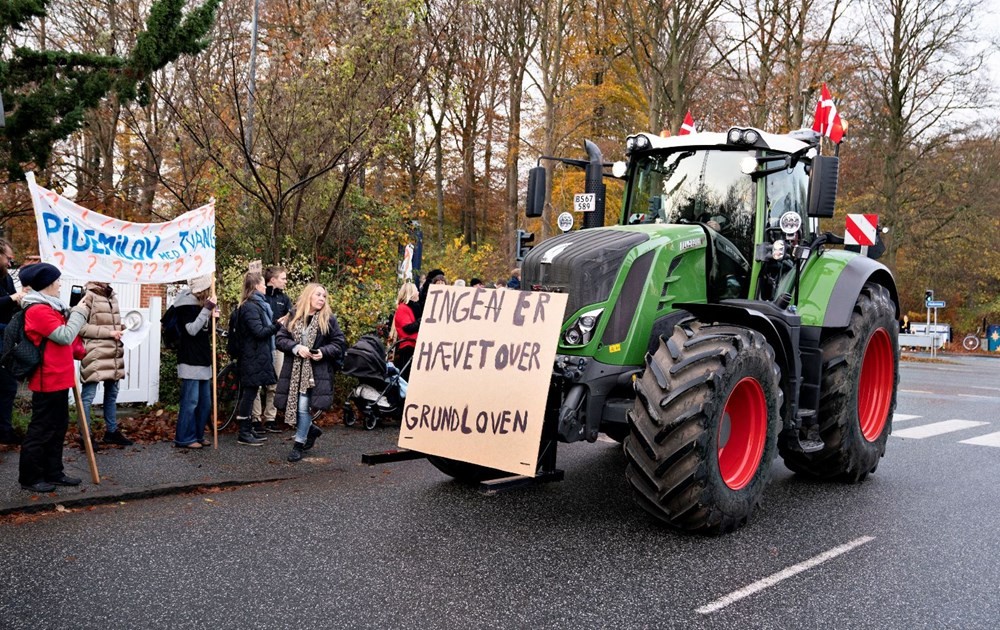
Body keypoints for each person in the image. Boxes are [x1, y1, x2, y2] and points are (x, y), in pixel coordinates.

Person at [17, 263, 91, 492]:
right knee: (41, 429)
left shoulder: (52, 308)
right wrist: (78, 312)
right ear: (47, 284)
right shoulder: (37, 310)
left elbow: (67, 340)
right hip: (46, 379)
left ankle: (53, 472)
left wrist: (81, 350)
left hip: (61, 377)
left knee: (58, 427)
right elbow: (63, 335)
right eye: (57, 281)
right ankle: (30, 477)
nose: (60, 285)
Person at [274, 283, 346, 462]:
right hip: (293, 370)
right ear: (308, 296)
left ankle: (298, 444)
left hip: (315, 372)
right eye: (318, 295)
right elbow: (280, 339)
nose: (322, 299)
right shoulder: (294, 315)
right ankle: (311, 430)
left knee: (302, 407)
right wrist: (296, 347)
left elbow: (339, 343)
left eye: (324, 296)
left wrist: (323, 352)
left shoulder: (328, 319)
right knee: (288, 407)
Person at [78, 281, 132, 447]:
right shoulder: (87, 295)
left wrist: (124, 328)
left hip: (113, 353)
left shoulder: (112, 295)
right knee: (88, 397)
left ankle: (111, 432)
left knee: (112, 394)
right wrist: (109, 333)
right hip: (94, 353)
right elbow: (80, 328)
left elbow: (107, 322)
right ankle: (85, 436)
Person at [234, 272, 281, 446]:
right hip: (252, 356)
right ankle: (244, 432)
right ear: (255, 286)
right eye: (262, 284)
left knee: (252, 392)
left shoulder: (255, 305)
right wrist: (277, 325)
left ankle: (247, 429)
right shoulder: (250, 307)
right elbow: (259, 332)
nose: (265, 286)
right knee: (249, 394)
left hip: (256, 355)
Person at [172, 275, 217, 449]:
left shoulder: (200, 305)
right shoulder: (186, 305)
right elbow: (191, 330)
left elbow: (204, 332)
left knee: (205, 402)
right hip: (190, 358)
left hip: (203, 357)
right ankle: (184, 437)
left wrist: (213, 318)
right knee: (191, 401)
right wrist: (206, 310)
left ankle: (198, 434)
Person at [252, 266, 293, 435]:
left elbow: (291, 320)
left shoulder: (285, 299)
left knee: (274, 384)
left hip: (277, 346)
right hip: (260, 345)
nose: (285, 281)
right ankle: (255, 419)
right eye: (283, 278)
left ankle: (270, 418)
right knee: (256, 384)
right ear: (273, 279)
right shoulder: (259, 296)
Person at [0, 239, 26, 445]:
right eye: (8, 258)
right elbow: (8, 301)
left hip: (4, 341)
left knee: (8, 387)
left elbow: (10, 308)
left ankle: (5, 431)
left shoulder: (6, 277)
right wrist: (12, 298)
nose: (10, 263)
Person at [392, 282, 419, 380]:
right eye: (416, 291)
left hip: (411, 346)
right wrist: (421, 320)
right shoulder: (403, 308)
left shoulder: (408, 308)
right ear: (411, 293)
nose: (418, 293)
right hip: (408, 347)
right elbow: (408, 328)